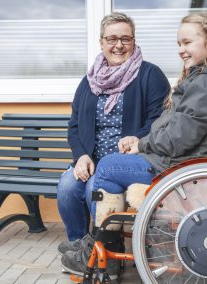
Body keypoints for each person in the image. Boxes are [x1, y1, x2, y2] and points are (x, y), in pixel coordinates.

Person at [61, 12, 207, 276]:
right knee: (76, 181)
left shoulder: (205, 83)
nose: (181, 50)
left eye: (187, 43)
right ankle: (97, 247)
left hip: (180, 165)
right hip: (178, 159)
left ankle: (100, 250)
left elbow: (180, 135)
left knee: (107, 168)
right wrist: (85, 155)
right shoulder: (203, 77)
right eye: (179, 44)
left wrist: (143, 144)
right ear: (101, 42)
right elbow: (177, 127)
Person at [56, 12, 170, 257]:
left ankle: (108, 248)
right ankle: (81, 247)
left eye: (126, 39)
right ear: (101, 42)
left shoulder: (150, 75)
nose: (119, 45)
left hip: (125, 162)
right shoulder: (89, 80)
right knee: (67, 186)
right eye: (112, 39)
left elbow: (158, 121)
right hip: (91, 160)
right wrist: (81, 157)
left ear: (134, 41)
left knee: (93, 191)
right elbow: (74, 125)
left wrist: (136, 139)